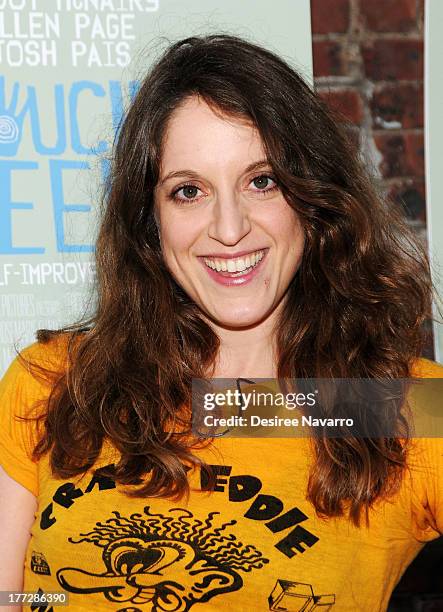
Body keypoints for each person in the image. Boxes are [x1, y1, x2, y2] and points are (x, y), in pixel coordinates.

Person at [0, 34, 442, 612]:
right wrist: (56, 599)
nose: (229, 228)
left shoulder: (399, 404)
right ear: (150, 223)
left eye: (262, 181)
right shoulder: (54, 382)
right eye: (188, 191)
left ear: (312, 197)